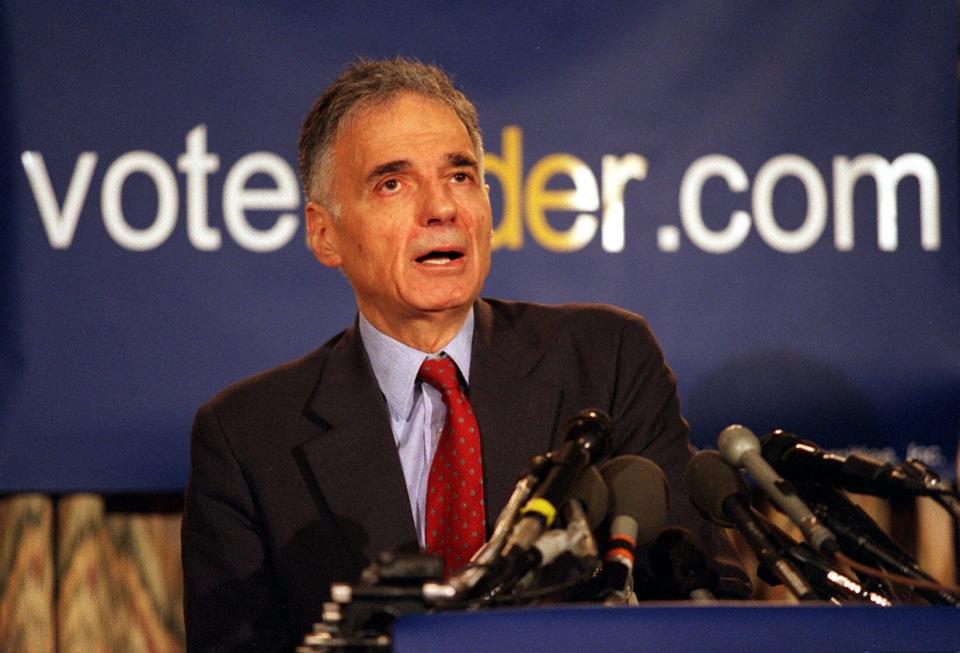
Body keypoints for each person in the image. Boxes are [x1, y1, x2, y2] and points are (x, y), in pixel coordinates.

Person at [181, 56, 749, 652]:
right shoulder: (246, 437)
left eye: (460, 176)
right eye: (393, 184)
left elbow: (705, 598)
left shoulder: (605, 361)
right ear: (325, 234)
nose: (442, 208)